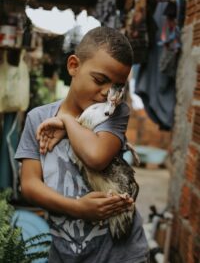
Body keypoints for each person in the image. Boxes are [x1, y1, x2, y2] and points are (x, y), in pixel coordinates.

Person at [15, 26, 149, 262]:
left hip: (120, 254)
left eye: (117, 86)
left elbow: (95, 156)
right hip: (65, 253)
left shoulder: (114, 113)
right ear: (73, 66)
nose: (108, 93)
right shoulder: (38, 118)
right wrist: (77, 208)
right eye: (100, 80)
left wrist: (66, 121)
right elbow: (29, 185)